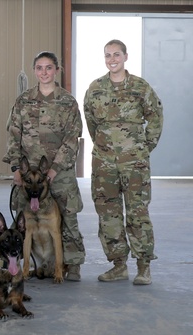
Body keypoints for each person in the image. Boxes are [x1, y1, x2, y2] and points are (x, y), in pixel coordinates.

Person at [83, 39, 163, 285]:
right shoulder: (95, 89)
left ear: (125, 57)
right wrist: (104, 148)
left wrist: (143, 148)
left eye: (116, 54)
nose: (112, 59)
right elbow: (91, 122)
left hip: (134, 163)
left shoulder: (140, 87)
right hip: (104, 163)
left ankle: (143, 266)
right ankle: (118, 265)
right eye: (107, 55)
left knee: (138, 212)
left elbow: (156, 117)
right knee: (108, 213)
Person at [3, 51, 85, 281]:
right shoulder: (23, 100)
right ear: (34, 71)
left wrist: (55, 169)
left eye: (49, 67)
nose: (44, 72)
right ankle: (15, 262)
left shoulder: (68, 102)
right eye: (39, 68)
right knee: (21, 219)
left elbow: (72, 138)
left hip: (61, 173)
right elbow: (13, 136)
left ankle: (73, 263)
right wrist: (16, 170)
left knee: (68, 218)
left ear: (56, 70)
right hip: (29, 175)